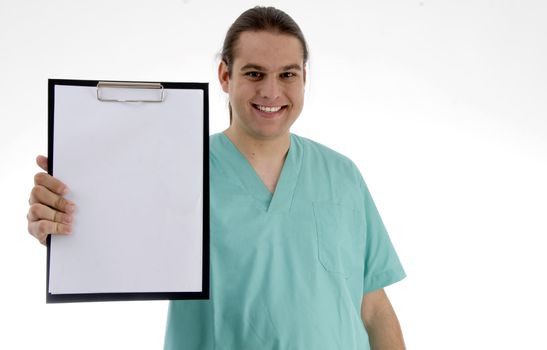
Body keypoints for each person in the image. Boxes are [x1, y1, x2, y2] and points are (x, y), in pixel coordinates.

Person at [27, 6, 407, 350]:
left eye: (287, 74)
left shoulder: (342, 176)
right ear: (225, 75)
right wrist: (61, 222)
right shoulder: (179, 171)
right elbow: (112, 242)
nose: (271, 91)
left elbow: (373, 306)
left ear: (304, 77)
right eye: (254, 73)